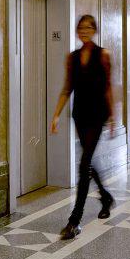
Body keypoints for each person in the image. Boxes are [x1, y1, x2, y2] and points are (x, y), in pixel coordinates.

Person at [50, 15, 115, 240]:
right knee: (87, 161)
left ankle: (74, 220)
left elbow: (108, 87)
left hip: (98, 115)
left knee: (84, 163)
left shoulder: (103, 55)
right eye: (80, 28)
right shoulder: (73, 58)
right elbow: (67, 88)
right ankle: (105, 197)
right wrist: (56, 114)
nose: (84, 31)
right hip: (80, 115)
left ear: (94, 30)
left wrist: (113, 117)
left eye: (88, 28)